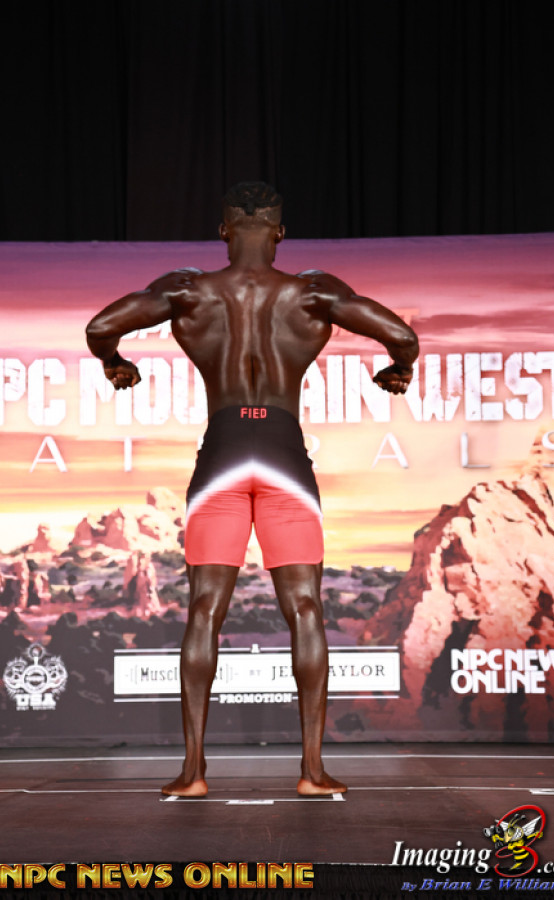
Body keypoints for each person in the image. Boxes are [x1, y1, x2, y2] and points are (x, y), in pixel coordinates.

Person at [86, 182, 419, 797]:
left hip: (223, 455)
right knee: (306, 609)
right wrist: (397, 370)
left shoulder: (189, 290)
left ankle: (192, 773)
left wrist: (116, 363)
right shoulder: (313, 291)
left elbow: (102, 326)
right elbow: (402, 336)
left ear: (223, 231)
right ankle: (312, 772)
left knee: (204, 611)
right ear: (280, 233)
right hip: (284, 458)